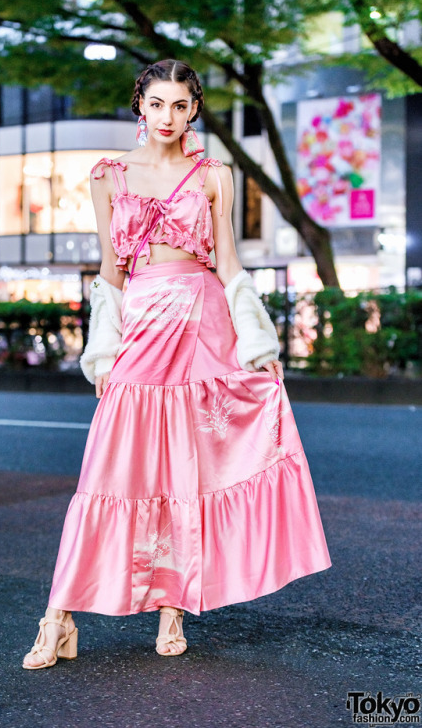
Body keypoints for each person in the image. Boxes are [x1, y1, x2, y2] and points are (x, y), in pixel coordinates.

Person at [22, 59, 331, 668]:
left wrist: (259, 346)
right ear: (140, 105)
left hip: (201, 324)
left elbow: (231, 265)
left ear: (194, 110)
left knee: (188, 472)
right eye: (156, 104)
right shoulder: (108, 175)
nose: (167, 117)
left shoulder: (213, 174)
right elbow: (110, 269)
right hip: (139, 323)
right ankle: (57, 618)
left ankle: (174, 611)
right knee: (107, 474)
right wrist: (104, 349)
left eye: (180, 106)